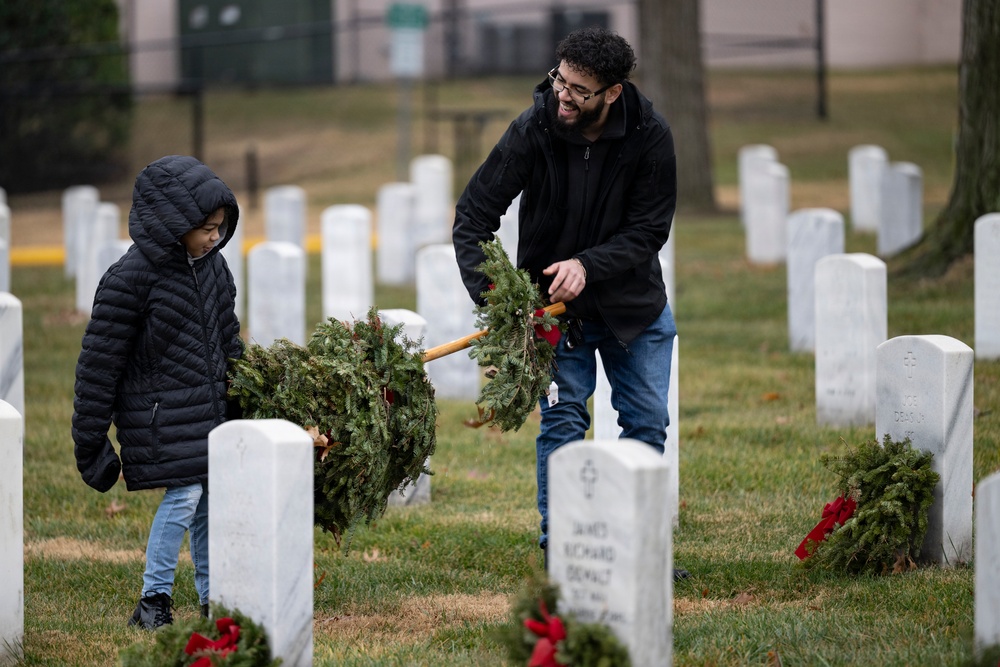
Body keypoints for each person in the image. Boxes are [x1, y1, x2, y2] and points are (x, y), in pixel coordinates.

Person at [452, 27, 685, 578]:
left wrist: (587, 265)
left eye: (580, 90)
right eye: (561, 80)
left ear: (612, 92)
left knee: (647, 424)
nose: (563, 96)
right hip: (553, 317)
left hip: (633, 308)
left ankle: (639, 553)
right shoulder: (533, 128)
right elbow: (473, 217)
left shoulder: (650, 135)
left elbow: (649, 230)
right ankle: (565, 551)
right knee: (562, 422)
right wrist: (504, 303)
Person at [72, 155, 243, 629]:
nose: (215, 237)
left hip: (210, 415)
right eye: (206, 228)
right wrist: (90, 441)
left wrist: (246, 397)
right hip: (159, 418)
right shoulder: (129, 280)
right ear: (174, 222)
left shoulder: (214, 268)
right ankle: (154, 601)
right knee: (184, 497)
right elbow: (99, 365)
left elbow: (228, 339)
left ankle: (214, 600)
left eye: (220, 227)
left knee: (208, 502)